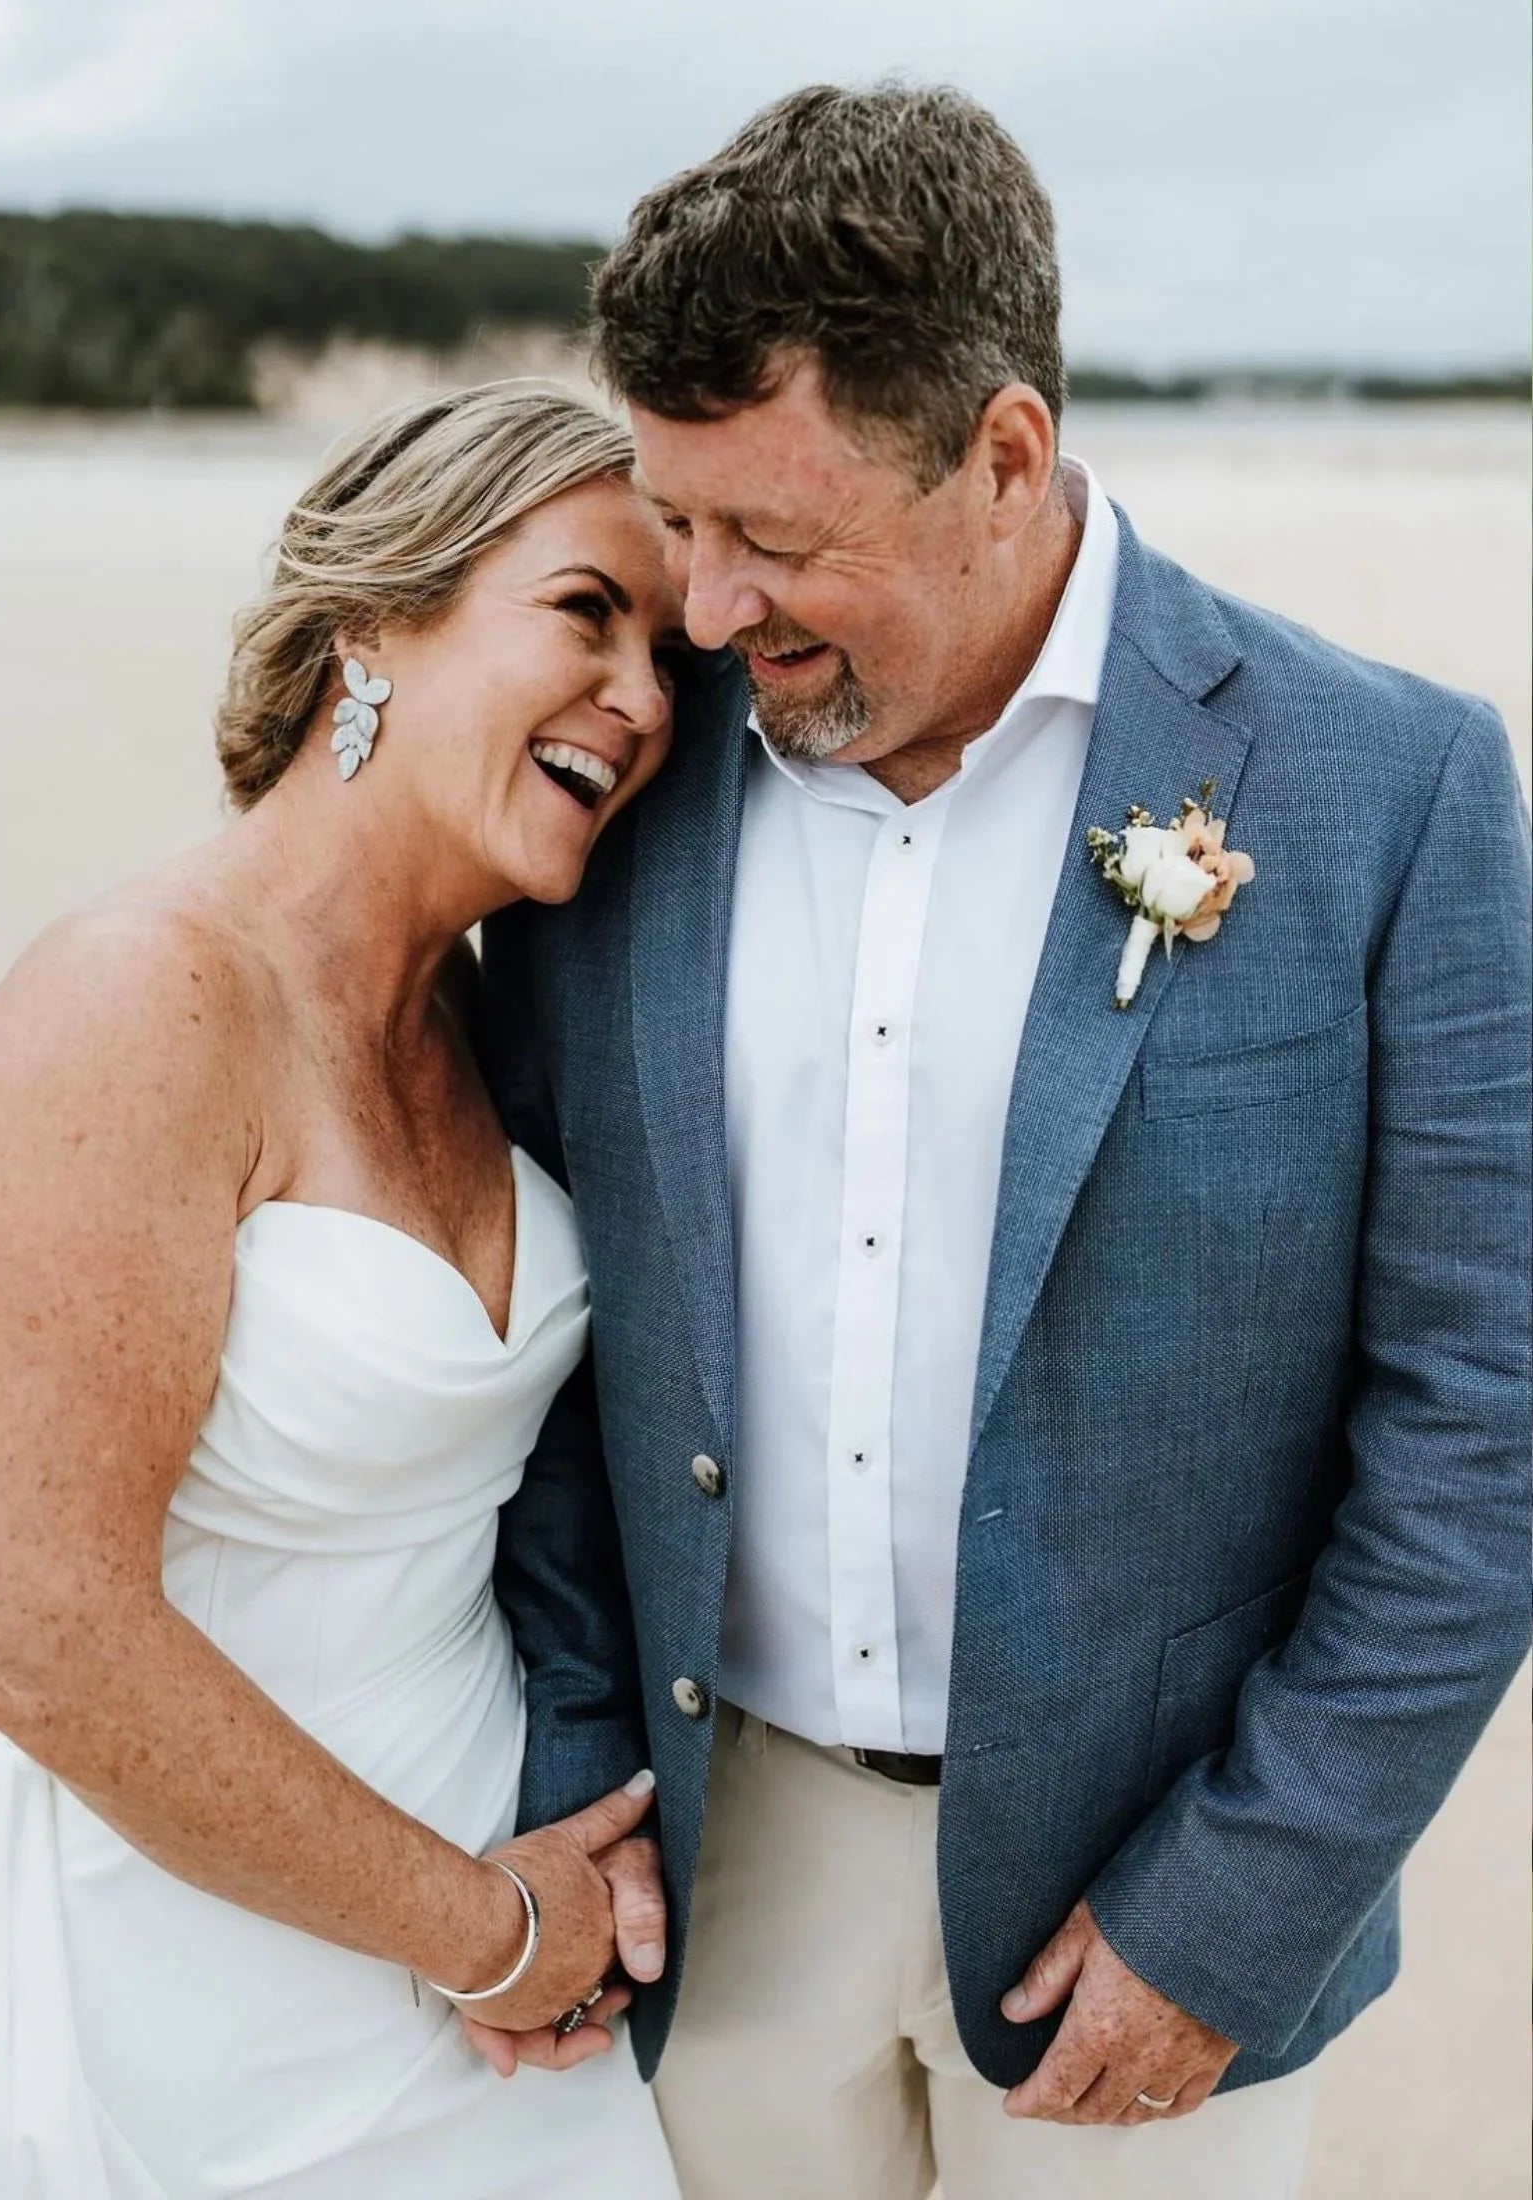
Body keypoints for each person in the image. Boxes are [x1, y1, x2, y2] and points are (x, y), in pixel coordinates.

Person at [477, 83, 1533, 2200]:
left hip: (1140, 1901)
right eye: (675, 524)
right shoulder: (625, 798)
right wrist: (578, 1759)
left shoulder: (1387, 789)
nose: (698, 611)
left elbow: (1483, 1419)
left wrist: (1235, 1907)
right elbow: (548, 1334)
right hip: (715, 1883)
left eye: (770, 539)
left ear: (1008, 458)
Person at [0, 382, 685, 2198]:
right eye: (585, 611)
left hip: (525, 1975)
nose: (642, 697)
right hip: (222, 1975)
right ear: (378, 620)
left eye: (670, 653)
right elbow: (33, 1616)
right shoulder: (138, 996)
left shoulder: (493, 1022)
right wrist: (475, 1927)